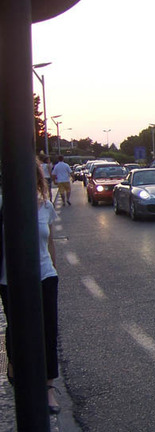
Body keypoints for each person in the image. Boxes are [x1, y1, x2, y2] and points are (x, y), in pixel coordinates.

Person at [0, 158, 61, 414]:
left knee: (48, 330)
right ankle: (13, 363)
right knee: (16, 325)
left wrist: (55, 271)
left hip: (45, 275)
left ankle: (47, 386)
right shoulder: (3, 205)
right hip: (10, 278)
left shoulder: (45, 205)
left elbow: (49, 242)